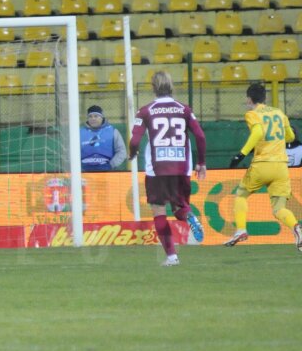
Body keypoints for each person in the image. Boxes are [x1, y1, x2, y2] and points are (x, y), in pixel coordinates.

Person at [127, 71, 207, 266]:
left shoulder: (145, 111)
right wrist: (201, 163)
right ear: (172, 87)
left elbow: (135, 139)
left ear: (153, 88)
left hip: (158, 169)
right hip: (182, 166)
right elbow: (200, 136)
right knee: (179, 206)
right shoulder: (184, 110)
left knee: (159, 211)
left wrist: (132, 154)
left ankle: (172, 256)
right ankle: (189, 215)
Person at [223, 82, 302, 250]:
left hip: (262, 164)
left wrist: (241, 154)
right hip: (281, 166)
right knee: (279, 209)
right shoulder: (279, 113)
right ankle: (296, 227)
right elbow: (290, 136)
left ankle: (241, 230)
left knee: (241, 195)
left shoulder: (252, 114)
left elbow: (258, 132)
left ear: (249, 99)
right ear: (265, 97)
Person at [79, 104, 128, 172]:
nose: (93, 118)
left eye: (96, 116)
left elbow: (122, 151)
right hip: (84, 169)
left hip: (106, 168)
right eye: (90, 116)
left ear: (102, 117)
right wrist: (79, 166)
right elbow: (72, 152)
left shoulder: (112, 131)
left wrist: (111, 165)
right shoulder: (79, 133)